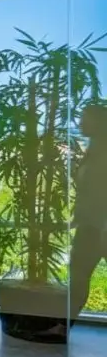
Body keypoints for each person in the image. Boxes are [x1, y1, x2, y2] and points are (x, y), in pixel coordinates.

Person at [68, 103, 107, 319]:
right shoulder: (94, 150)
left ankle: (63, 327)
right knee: (78, 279)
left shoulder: (102, 155)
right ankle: (63, 326)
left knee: (78, 278)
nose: (80, 122)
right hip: (91, 225)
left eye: (85, 117)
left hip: (98, 228)